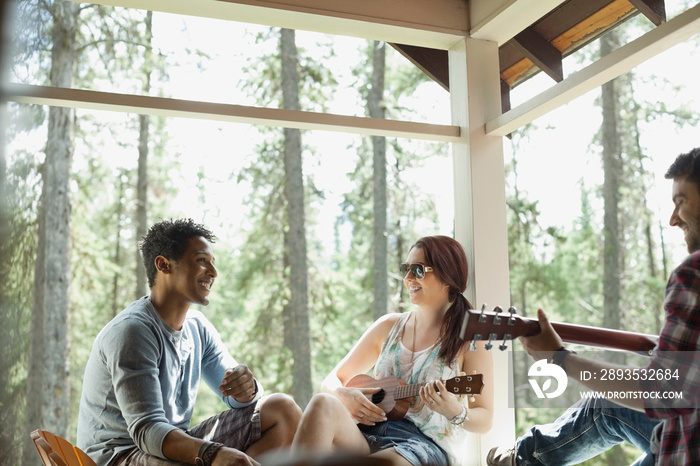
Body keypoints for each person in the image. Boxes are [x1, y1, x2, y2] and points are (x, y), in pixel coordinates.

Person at [487, 147, 700, 466]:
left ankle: (520, 459)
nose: (672, 219)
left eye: (680, 201)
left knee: (605, 406)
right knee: (606, 406)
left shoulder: (693, 273)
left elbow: (660, 391)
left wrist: (559, 358)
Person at [76, 218, 302, 466]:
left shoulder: (198, 328)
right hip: (120, 455)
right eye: (201, 261)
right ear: (163, 265)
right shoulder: (133, 331)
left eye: (213, 263)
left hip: (169, 444)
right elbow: (147, 430)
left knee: (283, 411)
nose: (213, 273)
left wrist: (247, 388)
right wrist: (213, 453)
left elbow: (237, 397)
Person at [291, 235, 494, 466]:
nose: (407, 278)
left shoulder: (469, 340)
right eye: (405, 269)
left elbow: (485, 417)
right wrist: (343, 394)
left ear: (447, 275)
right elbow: (332, 380)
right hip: (368, 433)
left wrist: (455, 411)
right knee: (322, 403)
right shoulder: (388, 327)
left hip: (422, 446)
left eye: (417, 270)